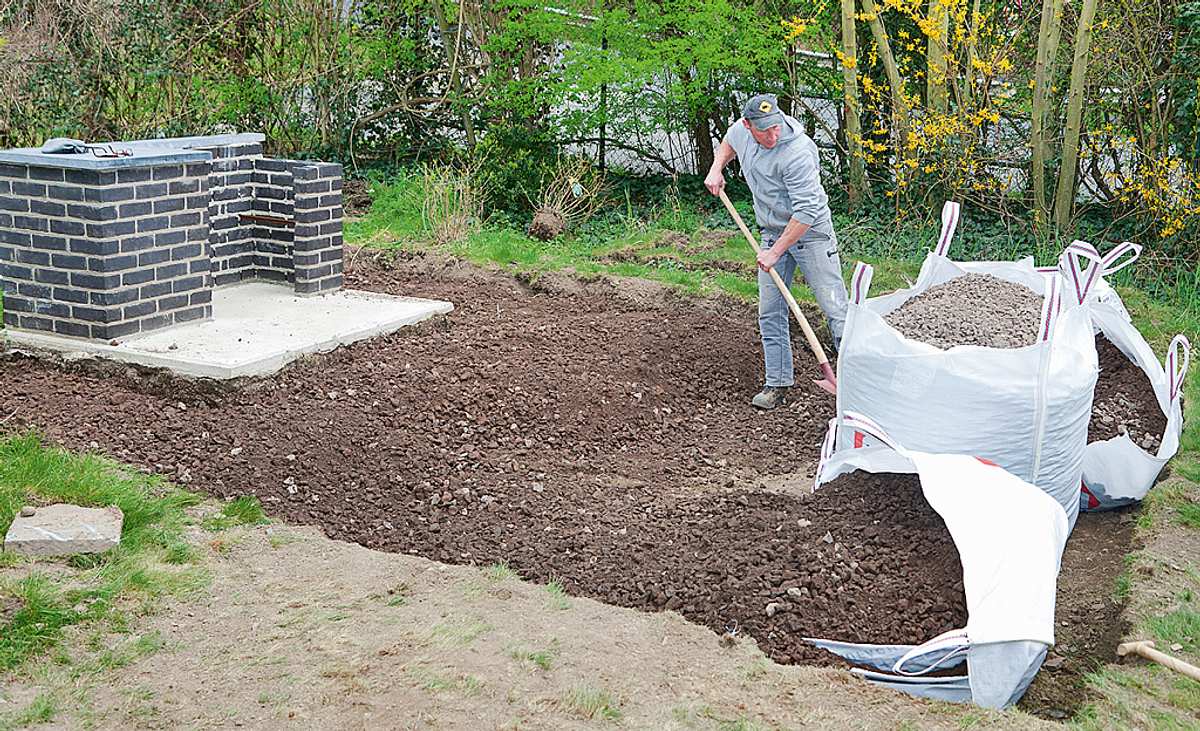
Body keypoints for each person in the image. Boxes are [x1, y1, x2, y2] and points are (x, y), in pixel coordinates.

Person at [704, 93, 849, 410]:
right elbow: (729, 140)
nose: (773, 135)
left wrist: (774, 253)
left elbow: (807, 213)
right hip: (771, 232)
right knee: (770, 311)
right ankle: (777, 383)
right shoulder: (742, 130)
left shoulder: (797, 152)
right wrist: (717, 168)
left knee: (836, 309)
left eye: (776, 127)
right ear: (749, 125)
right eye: (764, 130)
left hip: (811, 234)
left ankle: (856, 383)